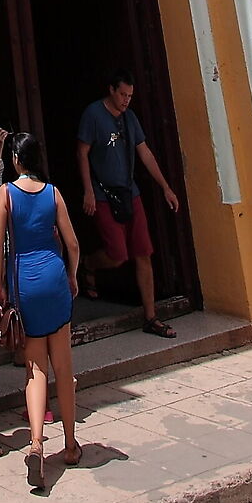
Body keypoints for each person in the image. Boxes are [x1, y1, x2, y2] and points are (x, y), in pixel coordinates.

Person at [0, 131, 87, 493]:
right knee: (64, 368)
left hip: (24, 282)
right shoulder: (53, 193)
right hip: (53, 276)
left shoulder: (7, 193)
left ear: (16, 160)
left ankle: (35, 443)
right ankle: (71, 443)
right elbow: (73, 242)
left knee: (35, 369)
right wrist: (72, 275)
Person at [75, 68, 181, 338]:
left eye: (130, 96)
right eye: (122, 94)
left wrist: (165, 187)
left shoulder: (130, 118)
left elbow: (144, 153)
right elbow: (82, 152)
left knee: (143, 253)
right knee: (117, 255)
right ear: (111, 90)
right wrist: (87, 190)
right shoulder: (93, 115)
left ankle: (150, 316)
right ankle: (89, 263)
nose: (126, 100)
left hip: (129, 193)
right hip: (102, 193)